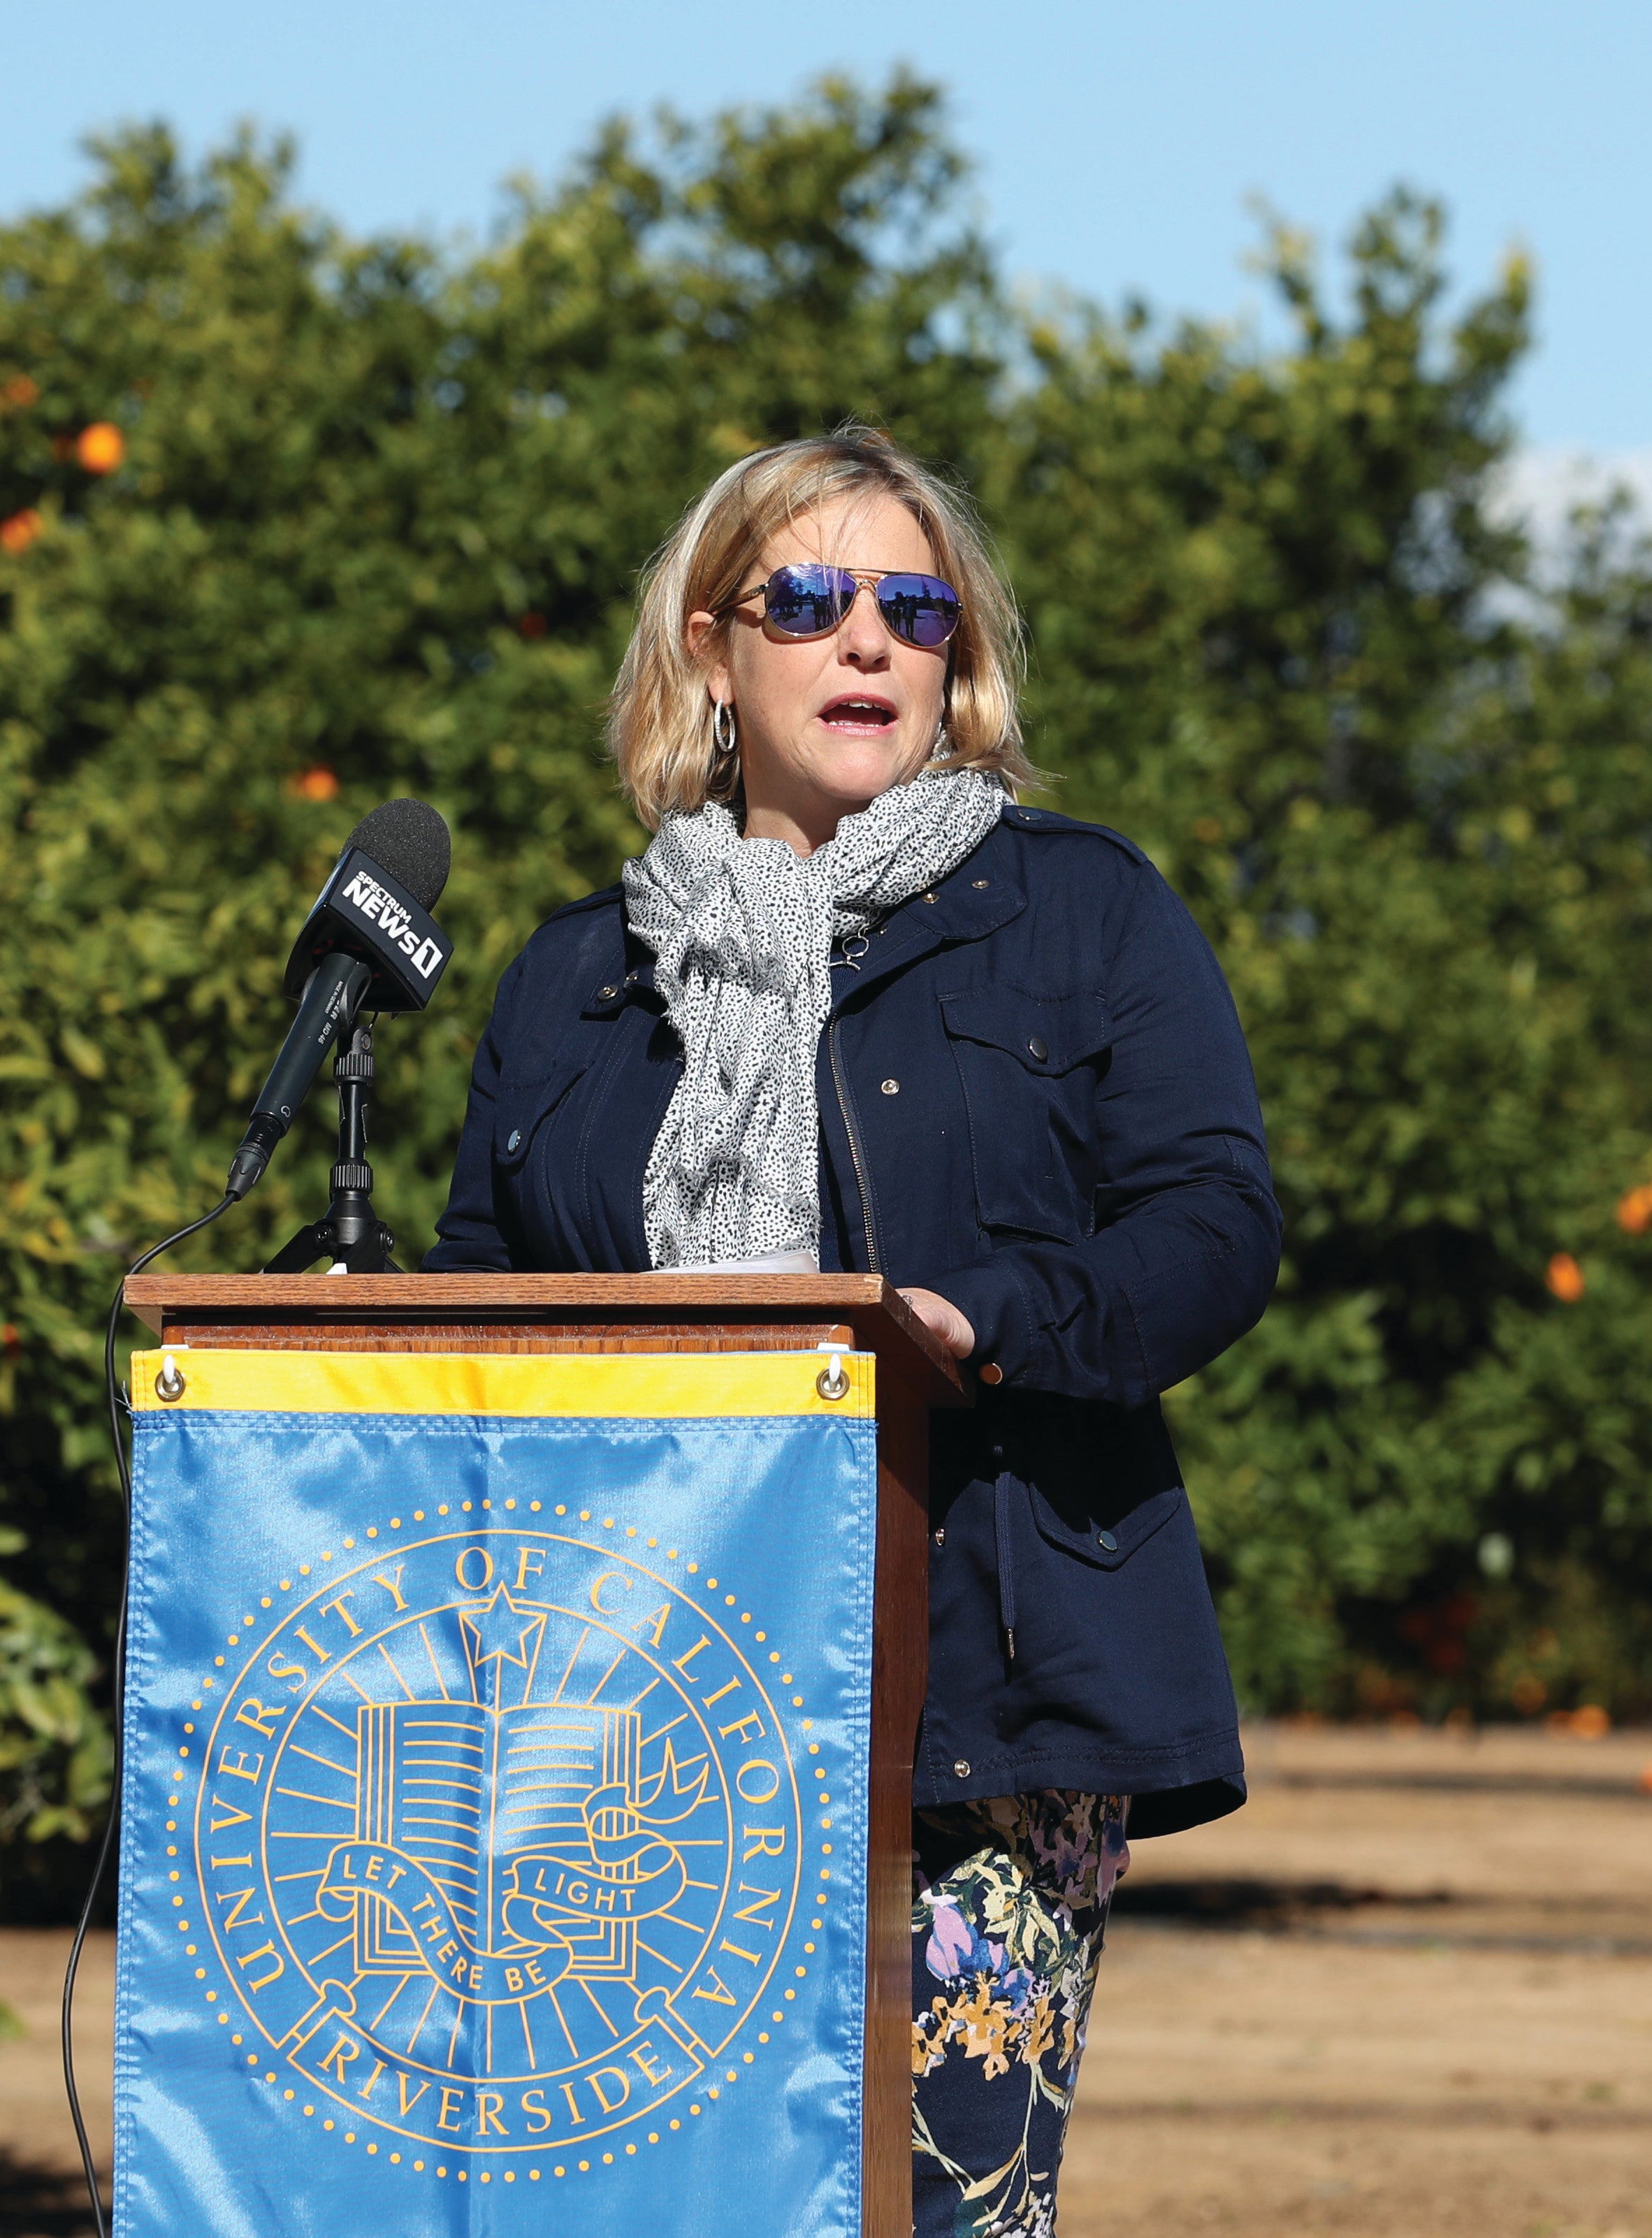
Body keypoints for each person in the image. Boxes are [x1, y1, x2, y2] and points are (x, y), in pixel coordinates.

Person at [422, 427, 1280, 2232]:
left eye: (915, 603)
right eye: (807, 600)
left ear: (961, 656)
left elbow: (1214, 1226)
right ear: (712, 655)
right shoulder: (577, 979)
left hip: (987, 1679)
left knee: (952, 2213)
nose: (867, 639)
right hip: (630, 1708)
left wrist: (992, 1319)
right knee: (641, 2205)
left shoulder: (1087, 913)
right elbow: (474, 1300)